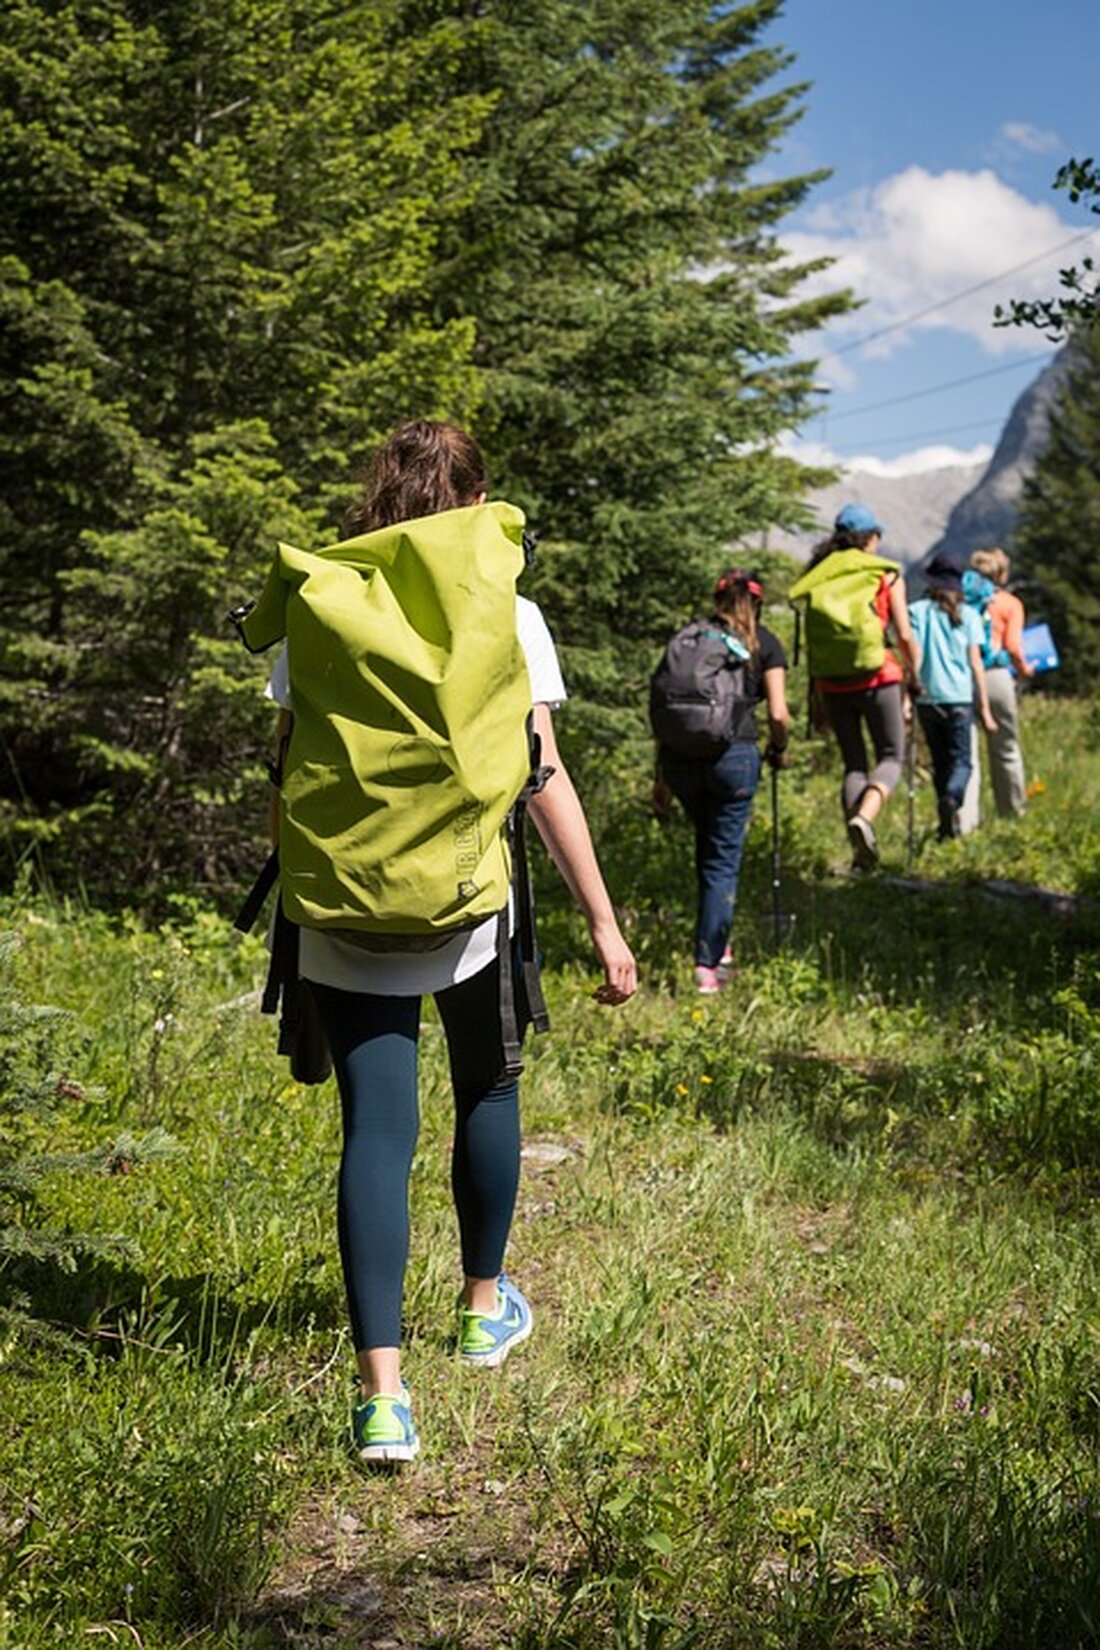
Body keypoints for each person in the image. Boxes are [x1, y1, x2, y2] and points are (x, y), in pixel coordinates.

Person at [264, 420, 637, 1464]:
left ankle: (382, 1398)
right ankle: (481, 1307)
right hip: (472, 904)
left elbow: (286, 778)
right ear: (476, 505)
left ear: (378, 504)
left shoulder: (319, 604)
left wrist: (302, 924)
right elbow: (541, 774)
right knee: (487, 1087)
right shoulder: (509, 612)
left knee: (374, 1133)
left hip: (341, 910)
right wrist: (603, 921)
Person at [652, 568, 790, 994]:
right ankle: (708, 964)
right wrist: (779, 748)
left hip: (680, 761)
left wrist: (661, 777)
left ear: (718, 601)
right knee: (722, 861)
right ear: (756, 602)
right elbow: (779, 714)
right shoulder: (763, 644)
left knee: (707, 854)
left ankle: (718, 941)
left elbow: (667, 707)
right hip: (734, 760)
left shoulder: (691, 639)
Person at [800, 504, 920, 871]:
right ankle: (864, 819)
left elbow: (812, 644)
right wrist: (914, 678)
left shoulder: (819, 576)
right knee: (890, 756)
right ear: (869, 537)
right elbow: (903, 633)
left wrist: (817, 700)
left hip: (832, 684)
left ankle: (859, 855)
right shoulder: (884, 573)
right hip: (878, 677)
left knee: (854, 764)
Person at [909, 552, 998, 841]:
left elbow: (914, 655)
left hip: (927, 698)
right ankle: (952, 799)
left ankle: (944, 824)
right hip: (959, 697)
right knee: (962, 761)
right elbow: (976, 664)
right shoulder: (969, 616)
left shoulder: (917, 611)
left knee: (940, 761)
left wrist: (907, 697)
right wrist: (984, 709)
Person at [958, 546, 1034, 829]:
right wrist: (1025, 669)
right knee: (1006, 748)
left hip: (963, 677)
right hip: (996, 676)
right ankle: (1013, 814)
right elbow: (1013, 646)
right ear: (1001, 573)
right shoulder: (1009, 603)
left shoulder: (958, 601)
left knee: (968, 753)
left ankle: (965, 822)